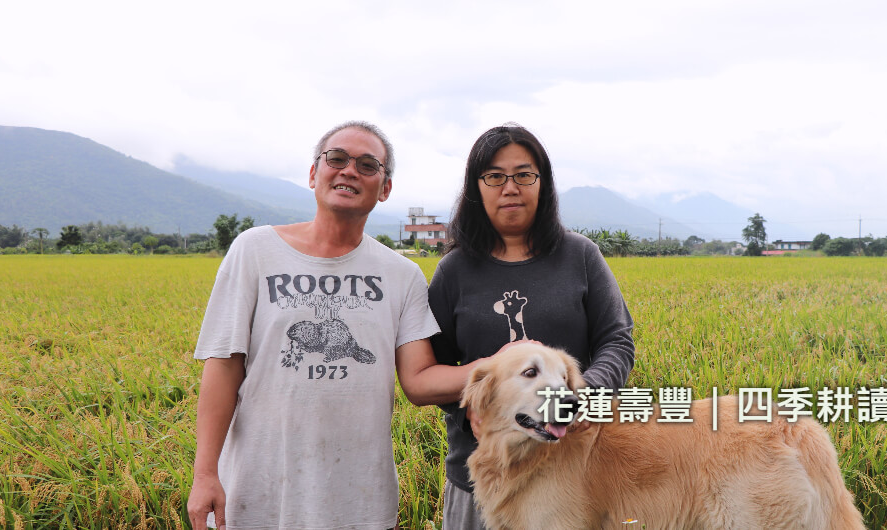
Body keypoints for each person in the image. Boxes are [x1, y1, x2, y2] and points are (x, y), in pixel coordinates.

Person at [187, 121, 477, 529]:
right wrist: (204, 475)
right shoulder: (254, 250)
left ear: (385, 188)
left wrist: (499, 367)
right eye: (336, 159)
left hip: (361, 502)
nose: (348, 171)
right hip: (259, 495)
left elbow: (418, 380)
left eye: (367, 164)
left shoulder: (402, 274)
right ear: (313, 173)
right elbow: (223, 366)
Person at [428, 124, 636, 529]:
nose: (510, 187)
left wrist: (580, 398)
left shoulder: (580, 256)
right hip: (483, 478)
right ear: (477, 187)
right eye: (494, 176)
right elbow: (432, 369)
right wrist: (472, 402)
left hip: (571, 477)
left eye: (524, 175)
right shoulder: (453, 271)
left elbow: (616, 341)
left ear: (543, 184)